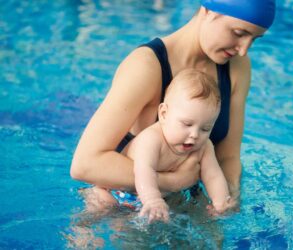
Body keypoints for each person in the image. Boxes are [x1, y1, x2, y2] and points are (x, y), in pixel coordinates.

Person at [71, 0, 276, 209]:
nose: (243, 50)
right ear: (208, 11)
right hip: (125, 200)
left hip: (186, 199)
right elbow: (85, 165)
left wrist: (228, 200)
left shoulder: (237, 67)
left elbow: (228, 156)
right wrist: (175, 182)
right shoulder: (146, 66)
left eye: (254, 39)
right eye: (239, 33)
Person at [92, 69, 234, 222]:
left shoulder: (205, 146)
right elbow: (143, 170)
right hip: (115, 192)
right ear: (164, 114)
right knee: (101, 210)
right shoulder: (152, 139)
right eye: (187, 124)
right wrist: (152, 200)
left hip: (158, 196)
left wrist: (221, 201)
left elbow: (213, 175)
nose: (195, 134)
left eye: (205, 128)